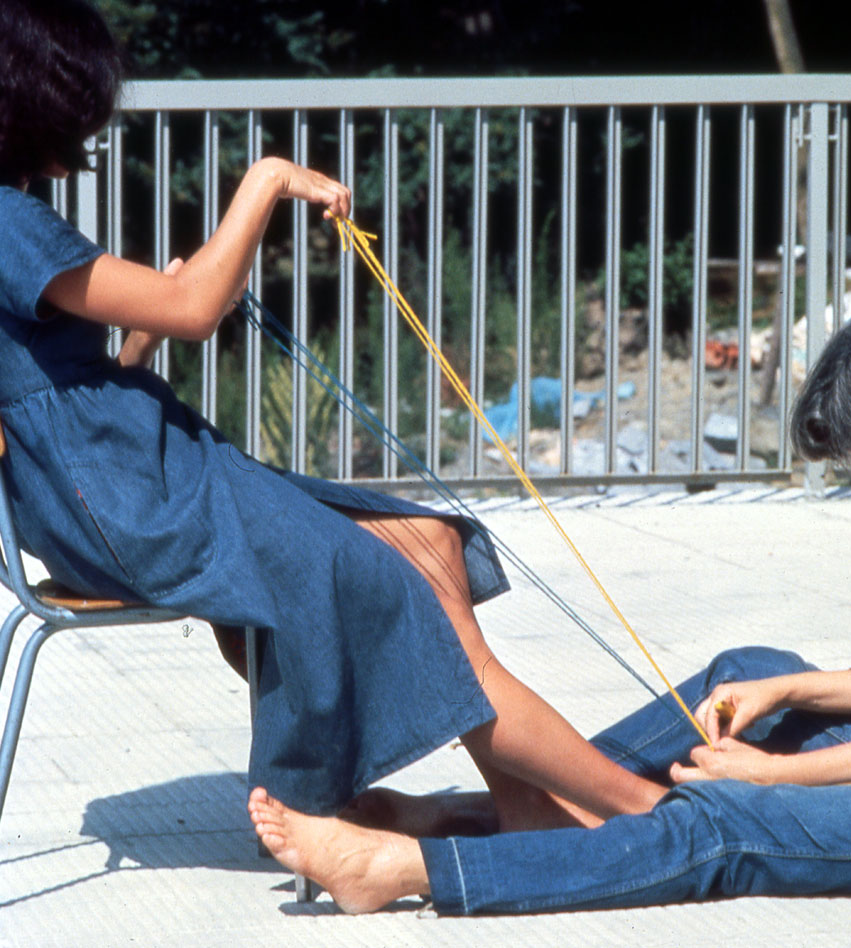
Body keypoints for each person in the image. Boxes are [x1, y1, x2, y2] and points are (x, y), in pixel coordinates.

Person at [0, 0, 671, 837]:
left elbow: (59, 387)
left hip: (131, 480)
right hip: (132, 505)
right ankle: (652, 813)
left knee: (426, 545)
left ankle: (524, 802)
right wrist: (268, 179)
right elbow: (195, 305)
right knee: (400, 590)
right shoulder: (3, 220)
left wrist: (131, 347)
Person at [248, 298, 851, 914]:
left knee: (726, 827)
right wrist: (791, 687)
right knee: (744, 674)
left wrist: (770, 779)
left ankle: (411, 866)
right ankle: (536, 809)